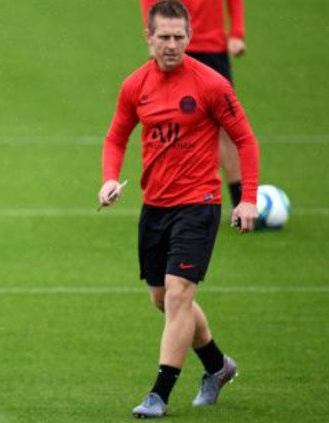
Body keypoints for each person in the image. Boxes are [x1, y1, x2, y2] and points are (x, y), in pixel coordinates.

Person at [97, 0, 259, 418]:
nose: (171, 45)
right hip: (155, 205)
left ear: (189, 37)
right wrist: (110, 178)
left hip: (199, 204)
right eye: (164, 37)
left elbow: (245, 139)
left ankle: (159, 394)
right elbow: (116, 137)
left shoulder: (211, 84)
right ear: (148, 37)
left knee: (179, 293)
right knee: (162, 298)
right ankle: (218, 366)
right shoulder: (135, 85)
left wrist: (247, 198)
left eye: (178, 37)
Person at [140, 0, 247, 209]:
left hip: (212, 46)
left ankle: (240, 201)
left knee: (225, 125)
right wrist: (154, 38)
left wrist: (237, 32)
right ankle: (172, 197)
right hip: (173, 44)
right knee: (171, 122)